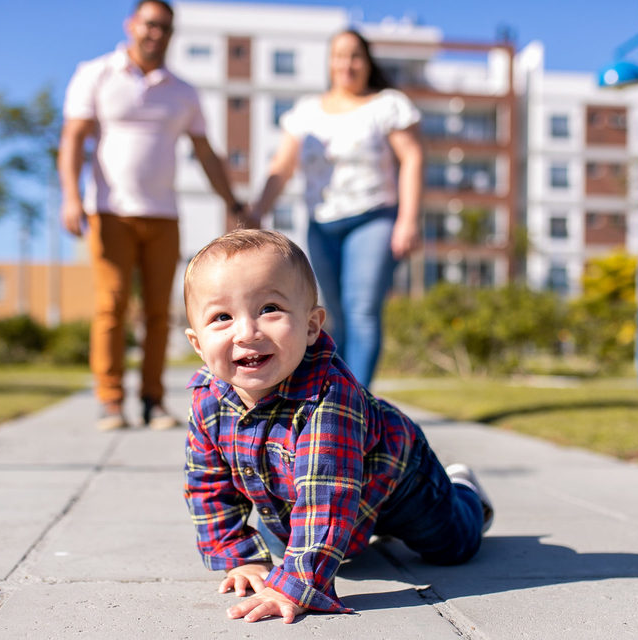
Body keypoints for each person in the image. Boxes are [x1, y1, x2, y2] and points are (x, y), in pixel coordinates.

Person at [182, 229, 493, 623]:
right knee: (299, 546)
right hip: (324, 490)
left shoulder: (328, 397)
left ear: (312, 326)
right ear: (197, 342)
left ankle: (464, 491)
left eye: (270, 308)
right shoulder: (207, 401)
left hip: (400, 478)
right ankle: (353, 533)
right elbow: (208, 483)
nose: (247, 332)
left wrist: (294, 585)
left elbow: (326, 494)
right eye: (222, 317)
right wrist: (239, 558)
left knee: (453, 547)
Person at [58, 0, 245, 430]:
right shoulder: (97, 74)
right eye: (149, 24)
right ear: (131, 26)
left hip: (163, 214)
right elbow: (73, 140)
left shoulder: (182, 90)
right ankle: (109, 399)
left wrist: (232, 203)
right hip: (110, 211)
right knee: (112, 303)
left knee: (161, 310)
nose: (155, 33)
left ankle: (153, 400)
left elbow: (205, 152)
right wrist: (71, 197)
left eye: (164, 27)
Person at [251, 29, 424, 388]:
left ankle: (357, 402)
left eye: (356, 56)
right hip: (322, 223)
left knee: (362, 310)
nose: (348, 63)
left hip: (373, 216)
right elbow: (282, 168)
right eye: (340, 56)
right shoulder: (306, 113)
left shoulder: (386, 104)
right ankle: (337, 396)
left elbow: (412, 157)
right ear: (330, 63)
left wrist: (408, 220)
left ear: (367, 62)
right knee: (334, 316)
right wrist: (256, 212)